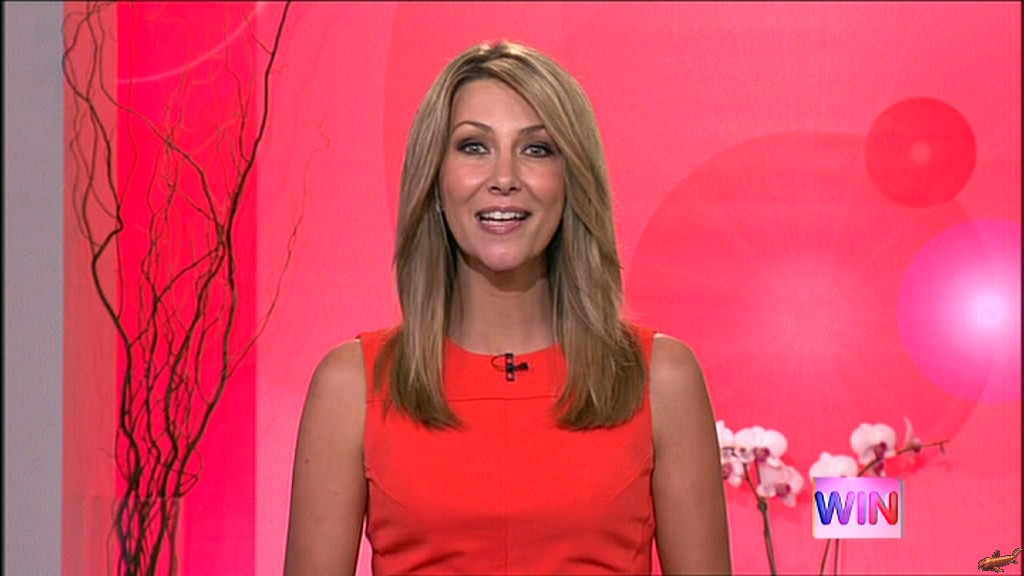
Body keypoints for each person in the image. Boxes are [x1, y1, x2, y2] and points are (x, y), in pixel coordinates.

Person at [284, 40, 731, 575]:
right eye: (474, 146)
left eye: (536, 149)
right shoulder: (352, 386)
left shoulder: (661, 379)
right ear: (435, 179)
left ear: (572, 180)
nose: (504, 177)